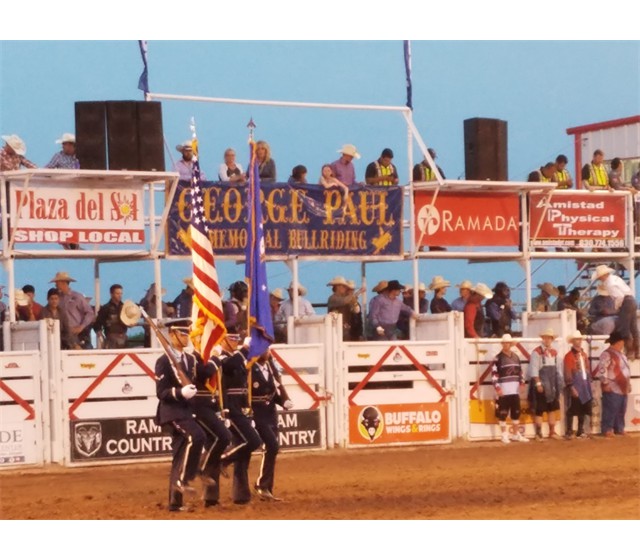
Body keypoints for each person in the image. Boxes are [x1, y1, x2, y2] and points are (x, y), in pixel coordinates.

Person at [154, 318, 207, 512]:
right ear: (172, 335)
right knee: (197, 436)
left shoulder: (190, 359)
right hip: (172, 413)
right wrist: (180, 393)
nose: (187, 338)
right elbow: (161, 392)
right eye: (183, 334)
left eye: (187, 334)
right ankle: (183, 478)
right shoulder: (163, 361)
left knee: (180, 455)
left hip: (186, 411)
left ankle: (175, 502)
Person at [215, 328, 262, 504]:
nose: (235, 341)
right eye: (231, 338)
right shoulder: (221, 357)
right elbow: (229, 367)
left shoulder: (237, 357)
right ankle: (222, 459)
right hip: (230, 406)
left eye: (237, 338)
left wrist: (247, 406)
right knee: (252, 441)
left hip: (240, 405)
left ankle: (241, 494)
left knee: (244, 454)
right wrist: (244, 349)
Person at [250, 348, 294, 501]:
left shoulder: (270, 366)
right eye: (263, 348)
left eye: (267, 349)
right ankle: (261, 485)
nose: (266, 352)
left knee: (272, 449)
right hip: (256, 412)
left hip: (270, 412)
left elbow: (274, 389)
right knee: (271, 445)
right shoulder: (249, 367)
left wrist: (283, 401)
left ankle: (266, 486)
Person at [591, 264, 639, 359]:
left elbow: (619, 297)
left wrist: (618, 307)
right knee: (633, 327)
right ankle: (638, 350)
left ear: (602, 276)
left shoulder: (609, 284)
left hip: (625, 302)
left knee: (624, 328)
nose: (600, 279)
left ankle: (630, 351)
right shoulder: (616, 278)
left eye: (599, 277)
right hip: (631, 300)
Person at [491, 334, 529, 444]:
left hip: (514, 390)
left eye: (507, 343)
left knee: (516, 412)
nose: (506, 344)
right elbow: (494, 374)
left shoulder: (516, 357)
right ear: (502, 344)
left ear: (510, 344)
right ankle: (504, 434)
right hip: (504, 390)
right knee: (503, 413)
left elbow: (520, 371)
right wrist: (497, 388)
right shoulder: (497, 358)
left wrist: (522, 383)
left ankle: (515, 434)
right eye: (504, 343)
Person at [528, 328, 564, 440]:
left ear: (552, 339)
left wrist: (559, 385)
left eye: (549, 338)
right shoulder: (536, 352)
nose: (547, 339)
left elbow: (558, 370)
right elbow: (533, 370)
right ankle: (538, 433)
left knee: (552, 409)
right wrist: (538, 384)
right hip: (542, 384)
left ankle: (552, 432)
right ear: (543, 338)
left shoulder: (554, 353)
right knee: (539, 409)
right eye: (546, 337)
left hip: (552, 385)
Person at [594, 331, 631, 438]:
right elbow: (602, 369)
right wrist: (605, 383)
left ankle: (619, 428)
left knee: (621, 409)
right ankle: (607, 428)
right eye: (622, 341)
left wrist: (628, 383)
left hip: (622, 386)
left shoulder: (621, 355)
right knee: (611, 408)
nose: (623, 343)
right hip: (613, 385)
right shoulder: (607, 354)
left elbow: (625, 370)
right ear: (618, 342)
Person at [51, 271, 95, 349]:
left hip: (78, 335)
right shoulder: (57, 298)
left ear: (63, 283)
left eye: (57, 283)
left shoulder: (77, 297)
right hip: (63, 335)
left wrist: (81, 327)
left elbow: (90, 313)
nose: (56, 285)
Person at [563, 330, 593, 439]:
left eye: (579, 339)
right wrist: (571, 387)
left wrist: (589, 383)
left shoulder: (584, 355)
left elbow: (588, 370)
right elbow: (567, 372)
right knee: (573, 409)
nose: (579, 341)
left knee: (584, 408)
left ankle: (580, 430)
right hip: (576, 385)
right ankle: (569, 431)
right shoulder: (569, 356)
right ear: (573, 342)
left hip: (584, 385)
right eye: (576, 339)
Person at [327, 276, 365, 342]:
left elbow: (356, 311)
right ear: (338, 287)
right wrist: (358, 293)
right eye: (344, 286)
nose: (345, 288)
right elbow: (344, 301)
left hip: (347, 329)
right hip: (336, 329)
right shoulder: (332, 298)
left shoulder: (345, 298)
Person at [93, 284, 131, 349]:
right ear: (111, 294)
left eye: (121, 293)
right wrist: (102, 339)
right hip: (111, 338)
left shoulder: (125, 307)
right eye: (117, 293)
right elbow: (97, 325)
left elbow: (130, 322)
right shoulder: (105, 308)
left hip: (124, 337)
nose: (120, 296)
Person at [139, 282, 175, 346]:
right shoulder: (145, 303)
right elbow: (145, 303)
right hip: (150, 333)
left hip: (163, 333)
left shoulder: (163, 304)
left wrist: (171, 312)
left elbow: (170, 317)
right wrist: (152, 290)